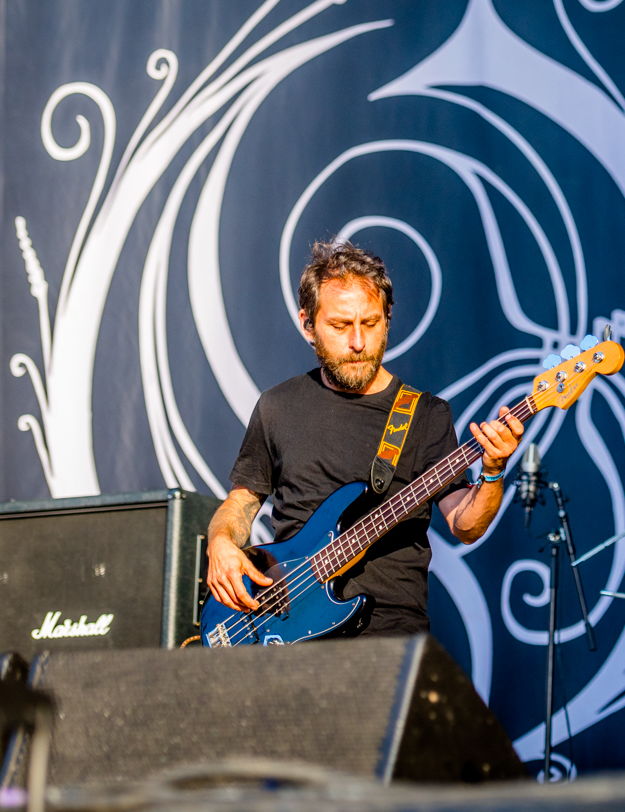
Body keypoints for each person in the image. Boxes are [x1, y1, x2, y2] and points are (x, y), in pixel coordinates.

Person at [204, 240, 523, 636]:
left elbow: (465, 525)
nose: (358, 343)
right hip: (286, 627)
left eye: (370, 324)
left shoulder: (425, 415)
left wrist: (493, 472)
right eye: (340, 326)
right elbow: (241, 502)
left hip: (389, 635)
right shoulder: (277, 406)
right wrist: (221, 543)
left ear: (387, 318)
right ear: (307, 324)